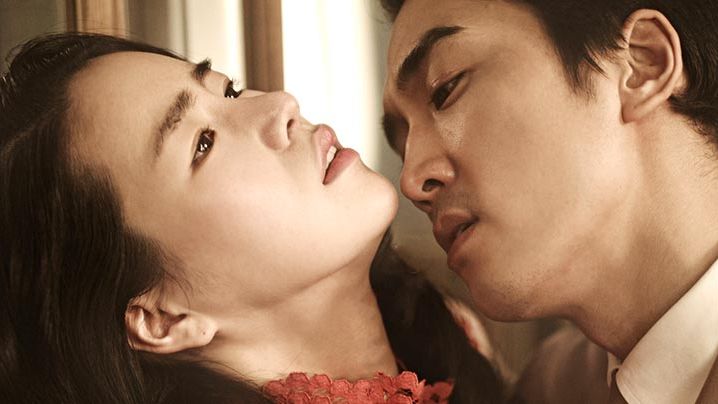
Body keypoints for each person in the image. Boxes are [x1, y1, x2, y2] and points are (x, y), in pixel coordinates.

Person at [0, 32, 505, 403]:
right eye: (203, 143)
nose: (281, 105)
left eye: (229, 92)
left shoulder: (452, 339)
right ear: (163, 318)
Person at [379, 0, 718, 403]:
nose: (411, 181)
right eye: (402, 144)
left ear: (643, 63)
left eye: (445, 91)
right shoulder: (549, 387)